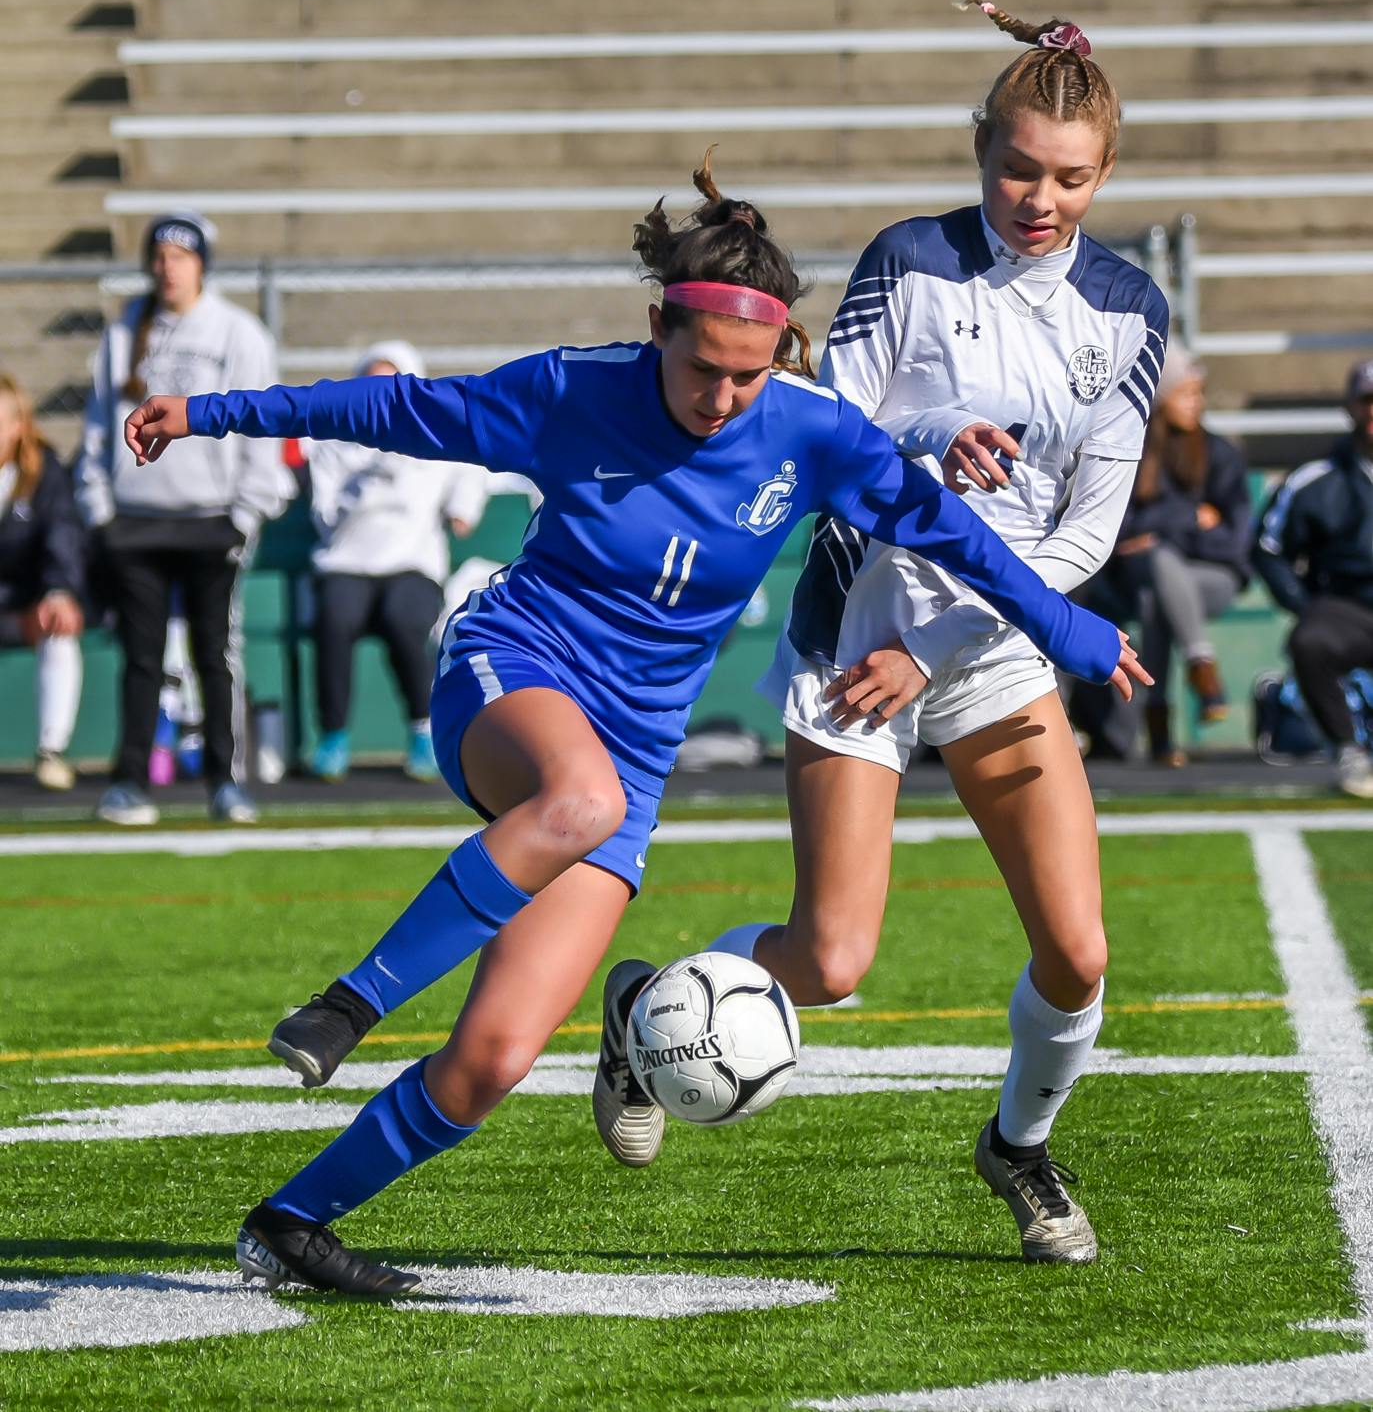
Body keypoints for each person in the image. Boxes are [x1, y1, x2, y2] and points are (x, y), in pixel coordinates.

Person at [123, 155, 1146, 1296]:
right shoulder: (572, 391)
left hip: (632, 754)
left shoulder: (811, 431)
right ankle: (345, 1004)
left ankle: (290, 1222)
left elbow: (952, 535)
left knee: (493, 1058)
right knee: (577, 798)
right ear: (659, 325)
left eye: (749, 375)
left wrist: (1068, 627)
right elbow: (393, 410)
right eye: (703, 368)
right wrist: (208, 412)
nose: (723, 397)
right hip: (512, 671)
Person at [598, 4, 1167, 1267]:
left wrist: (945, 642)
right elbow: (822, 432)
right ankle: (643, 1011)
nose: (1039, 199)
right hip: (858, 630)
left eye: (1070, 178)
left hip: (988, 644)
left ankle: (1017, 1148)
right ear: (978, 149)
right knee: (830, 959)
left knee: (1076, 953)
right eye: (1017, 168)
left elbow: (1083, 535)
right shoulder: (907, 259)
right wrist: (927, 440)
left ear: (1104, 173)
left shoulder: (1130, 311)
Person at [75, 210, 290, 826]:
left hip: (212, 522)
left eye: (181, 256)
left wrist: (244, 514)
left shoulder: (239, 333)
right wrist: (101, 513)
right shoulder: (122, 334)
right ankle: (129, 784)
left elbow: (262, 428)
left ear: (201, 264)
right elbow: (97, 431)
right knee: (142, 659)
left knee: (214, 655)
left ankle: (226, 782)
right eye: (160, 256)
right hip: (135, 525)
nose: (168, 268)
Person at [305, 339, 489, 783]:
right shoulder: (335, 441)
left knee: (404, 618)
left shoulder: (434, 433)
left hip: (413, 564)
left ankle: (424, 729)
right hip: (346, 564)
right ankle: (333, 736)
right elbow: (325, 518)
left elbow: (469, 473)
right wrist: (367, 488)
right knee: (335, 618)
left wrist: (462, 509)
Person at [1113, 344, 1250, 765]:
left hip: (1213, 576)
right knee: (1158, 581)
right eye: (1186, 393)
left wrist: (1162, 531)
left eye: (1199, 393)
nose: (1198, 403)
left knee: (1160, 575)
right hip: (1140, 577)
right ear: (1160, 398)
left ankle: (1159, 724)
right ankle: (1201, 670)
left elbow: (1233, 541)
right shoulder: (1131, 451)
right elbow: (1117, 530)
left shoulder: (1220, 454)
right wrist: (1190, 517)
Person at [1253, 357, 1373, 798]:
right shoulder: (1317, 480)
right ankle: (1349, 750)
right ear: (1351, 407)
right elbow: (1268, 548)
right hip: (1349, 610)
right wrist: (1305, 605)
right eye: (1367, 400)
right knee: (1311, 639)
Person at [0, 374, 85, 790]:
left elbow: (61, 536)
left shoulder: (44, 472)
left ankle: (51, 751)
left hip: (24, 608)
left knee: (59, 626)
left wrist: (57, 592)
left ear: (19, 425)